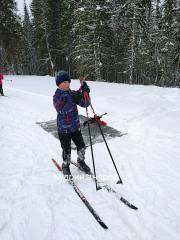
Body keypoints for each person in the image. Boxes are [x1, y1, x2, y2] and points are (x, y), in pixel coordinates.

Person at [53, 70, 91, 179]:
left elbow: (85, 104)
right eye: (63, 82)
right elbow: (61, 109)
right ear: (58, 84)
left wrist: (85, 93)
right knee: (67, 150)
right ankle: (65, 165)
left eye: (67, 82)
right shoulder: (57, 96)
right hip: (63, 130)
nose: (66, 84)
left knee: (82, 146)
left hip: (75, 128)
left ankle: (81, 161)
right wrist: (71, 100)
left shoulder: (73, 93)